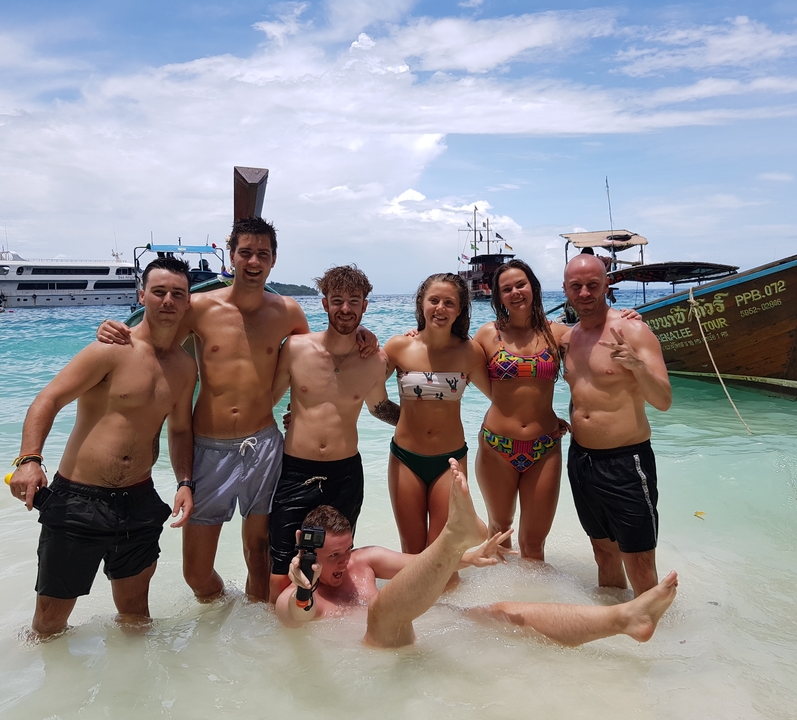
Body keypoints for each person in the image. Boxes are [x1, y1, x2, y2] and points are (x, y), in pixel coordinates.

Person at [96, 217, 376, 602]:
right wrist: (112, 331)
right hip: (208, 447)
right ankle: (223, 611)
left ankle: (256, 635)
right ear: (232, 256)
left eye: (263, 253)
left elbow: (321, 354)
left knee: (259, 556)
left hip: (264, 446)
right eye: (245, 252)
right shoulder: (198, 307)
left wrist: (362, 333)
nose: (254, 261)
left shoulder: (288, 312)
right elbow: (153, 342)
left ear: (274, 259)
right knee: (195, 573)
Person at [277, 459, 679, 649]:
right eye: (332, 557)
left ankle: (624, 619)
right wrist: (303, 591)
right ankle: (454, 534)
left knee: (504, 611)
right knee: (383, 611)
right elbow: (297, 616)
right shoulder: (295, 595)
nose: (343, 564)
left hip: (424, 630)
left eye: (345, 552)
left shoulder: (363, 560)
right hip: (374, 647)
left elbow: (418, 567)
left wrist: (468, 558)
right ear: (305, 545)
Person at [8, 257, 198, 639]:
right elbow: (47, 400)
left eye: (177, 294)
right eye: (158, 292)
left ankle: (129, 694)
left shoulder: (183, 366)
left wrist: (185, 482)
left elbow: (179, 431)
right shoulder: (110, 349)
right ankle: (46, 691)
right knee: (49, 623)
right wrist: (29, 460)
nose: (167, 301)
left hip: (139, 502)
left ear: (188, 302)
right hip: (79, 500)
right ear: (142, 295)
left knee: (136, 619)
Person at [268, 265, 398, 602]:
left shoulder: (374, 360)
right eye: (337, 300)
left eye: (354, 301)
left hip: (344, 474)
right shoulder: (295, 348)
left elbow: (380, 407)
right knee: (282, 572)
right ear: (324, 304)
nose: (345, 308)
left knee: (335, 568)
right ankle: (280, 644)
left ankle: (333, 638)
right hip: (295, 470)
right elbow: (266, 399)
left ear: (365, 306)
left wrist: (427, 421)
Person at [562, 254, 672, 597]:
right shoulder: (569, 337)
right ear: (565, 289)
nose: (584, 293)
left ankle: (658, 640)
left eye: (592, 285)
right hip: (581, 460)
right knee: (602, 551)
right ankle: (616, 630)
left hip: (626, 462)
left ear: (607, 285)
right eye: (576, 286)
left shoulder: (632, 329)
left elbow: (664, 400)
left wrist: (638, 366)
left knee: (639, 560)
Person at [383, 273, 489, 553]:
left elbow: (502, 397)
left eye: (449, 303)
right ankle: (412, 599)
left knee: (443, 549)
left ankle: (449, 600)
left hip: (450, 460)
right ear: (422, 304)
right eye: (434, 300)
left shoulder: (471, 352)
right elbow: (360, 387)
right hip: (406, 458)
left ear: (460, 310)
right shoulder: (399, 346)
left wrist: (544, 417)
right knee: (412, 550)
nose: (440, 308)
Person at [472, 260, 568, 561]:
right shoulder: (488, 335)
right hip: (497, 446)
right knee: (499, 532)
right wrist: (415, 333)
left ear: (533, 287)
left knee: (534, 544)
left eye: (520, 285)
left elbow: (597, 335)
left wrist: (625, 316)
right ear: (498, 296)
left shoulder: (558, 334)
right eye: (506, 288)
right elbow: (446, 352)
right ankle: (498, 602)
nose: (515, 292)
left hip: (545, 446)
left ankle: (534, 602)